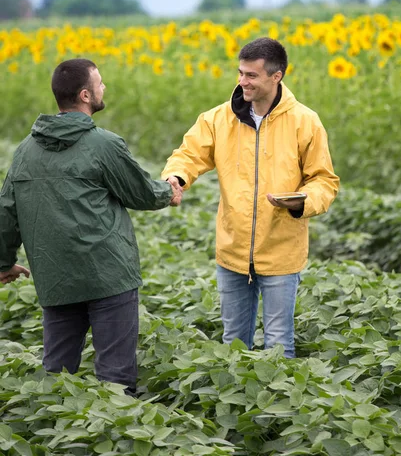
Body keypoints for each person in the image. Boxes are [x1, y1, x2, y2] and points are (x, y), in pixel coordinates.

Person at [0, 58, 182, 395]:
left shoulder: (25, 151)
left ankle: (56, 436)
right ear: (85, 95)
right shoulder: (104, 144)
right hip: (108, 276)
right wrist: (168, 192)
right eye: (100, 84)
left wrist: (3, 262)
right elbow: (140, 193)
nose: (104, 88)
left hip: (56, 278)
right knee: (116, 380)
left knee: (57, 376)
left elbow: (6, 211)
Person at [162, 37, 339, 358]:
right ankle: (237, 403)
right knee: (233, 345)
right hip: (233, 251)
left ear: (277, 76)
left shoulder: (305, 122)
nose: (243, 81)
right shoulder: (217, 119)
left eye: (252, 76)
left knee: (278, 344)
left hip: (281, 253)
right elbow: (188, 155)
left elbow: (324, 180)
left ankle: (278, 407)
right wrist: (176, 178)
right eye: (241, 73)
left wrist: (302, 202)